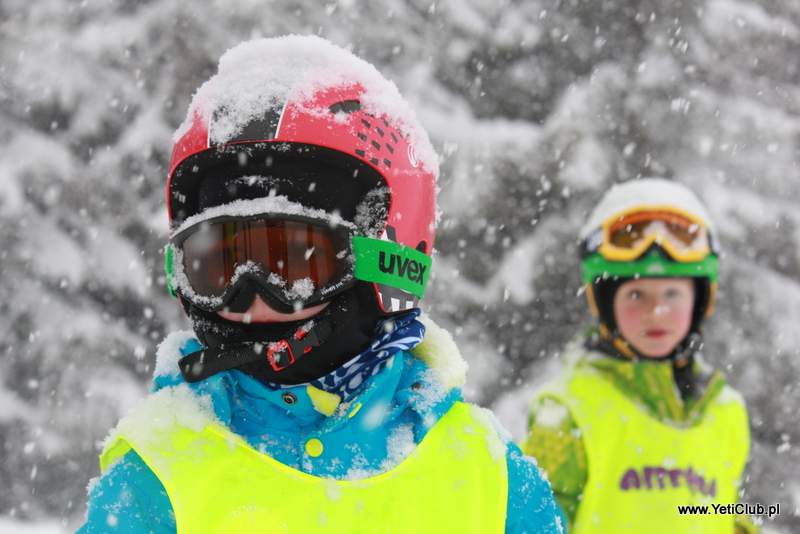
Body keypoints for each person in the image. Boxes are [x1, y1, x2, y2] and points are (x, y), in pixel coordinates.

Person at [79, 35, 564, 533]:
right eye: (218, 268)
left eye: (292, 260)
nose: (252, 297)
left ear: (387, 262)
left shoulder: (490, 478)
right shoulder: (158, 474)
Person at [523, 178, 757, 533]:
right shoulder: (568, 410)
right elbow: (535, 523)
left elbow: (721, 512)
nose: (657, 312)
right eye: (636, 295)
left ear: (699, 302)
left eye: (672, 295)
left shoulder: (726, 411)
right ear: (605, 304)